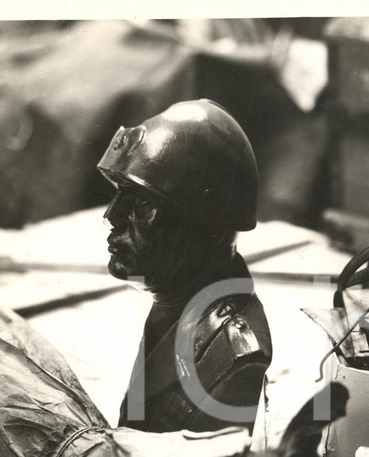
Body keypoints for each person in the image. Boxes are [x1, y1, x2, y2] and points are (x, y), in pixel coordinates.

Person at [97, 99, 272, 433]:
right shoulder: (175, 301)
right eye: (120, 194)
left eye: (142, 201)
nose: (112, 216)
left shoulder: (233, 356)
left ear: (208, 228)